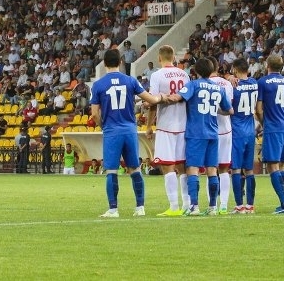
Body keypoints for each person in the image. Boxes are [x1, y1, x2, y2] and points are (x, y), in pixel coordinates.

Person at [91, 49, 165, 218]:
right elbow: (151, 99)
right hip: (129, 130)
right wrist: (162, 97)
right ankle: (140, 207)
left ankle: (113, 209)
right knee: (135, 169)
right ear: (120, 62)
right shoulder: (130, 81)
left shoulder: (98, 84)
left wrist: (104, 126)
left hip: (112, 131)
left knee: (111, 170)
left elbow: (94, 114)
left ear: (104, 63)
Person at [171, 58, 232, 216]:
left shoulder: (193, 85)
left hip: (196, 133)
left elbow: (177, 98)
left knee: (193, 169)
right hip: (213, 133)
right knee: (212, 170)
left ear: (196, 71)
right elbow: (229, 110)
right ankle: (213, 207)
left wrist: (159, 98)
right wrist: (215, 109)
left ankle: (194, 206)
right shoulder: (219, 88)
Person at [145, 45, 190, 216]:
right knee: (183, 166)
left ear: (159, 58)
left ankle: (174, 207)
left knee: (167, 165)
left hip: (166, 125)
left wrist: (149, 126)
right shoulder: (184, 74)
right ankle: (187, 205)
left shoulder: (157, 75)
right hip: (183, 124)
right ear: (173, 58)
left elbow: (152, 102)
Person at [256, 54, 284, 214]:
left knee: (272, 165)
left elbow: (259, 109)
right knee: (282, 165)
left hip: (273, 127)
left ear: (267, 65)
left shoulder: (263, 82)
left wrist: (264, 124)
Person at [229, 58, 259, 214]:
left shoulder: (233, 87)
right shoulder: (254, 83)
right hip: (250, 130)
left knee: (236, 169)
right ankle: (250, 205)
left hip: (237, 131)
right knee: (249, 170)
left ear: (235, 69)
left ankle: (239, 205)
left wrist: (229, 79)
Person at [206, 56, 235, 215]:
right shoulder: (226, 84)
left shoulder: (202, 83)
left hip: (208, 130)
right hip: (225, 129)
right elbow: (228, 106)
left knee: (210, 169)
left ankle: (212, 205)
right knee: (224, 169)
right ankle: (223, 205)